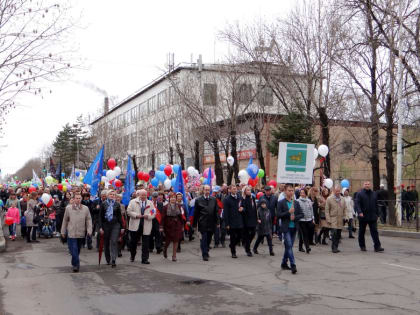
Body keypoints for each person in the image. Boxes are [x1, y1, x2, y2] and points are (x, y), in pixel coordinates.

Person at [60, 192, 93, 272]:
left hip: (81, 233)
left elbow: (89, 220)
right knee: (73, 249)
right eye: (76, 198)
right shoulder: (68, 208)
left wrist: (89, 230)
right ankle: (76, 265)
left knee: (77, 250)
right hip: (71, 233)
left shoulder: (85, 208)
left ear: (81, 199)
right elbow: (65, 220)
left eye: (79, 198)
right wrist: (63, 231)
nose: (78, 200)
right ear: (73, 199)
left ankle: (74, 262)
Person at [277, 184, 304, 274]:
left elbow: (301, 214)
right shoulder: (281, 202)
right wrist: (288, 212)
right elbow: (279, 215)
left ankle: (284, 263)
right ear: (285, 191)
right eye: (289, 190)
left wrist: (295, 217)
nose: (291, 192)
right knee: (288, 245)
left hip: (294, 227)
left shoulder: (296, 203)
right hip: (286, 227)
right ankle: (293, 265)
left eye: (292, 190)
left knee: (289, 247)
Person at [127, 189, 156, 264]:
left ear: (147, 195)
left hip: (146, 224)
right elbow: (129, 211)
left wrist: (148, 216)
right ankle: (132, 255)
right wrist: (136, 215)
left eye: (145, 195)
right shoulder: (133, 201)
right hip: (135, 225)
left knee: (146, 243)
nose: (143, 196)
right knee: (133, 242)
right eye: (142, 195)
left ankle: (145, 259)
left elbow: (153, 212)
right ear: (139, 195)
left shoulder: (150, 203)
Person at [355, 181, 384, 252]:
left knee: (374, 232)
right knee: (362, 232)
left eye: (368, 184)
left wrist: (377, 214)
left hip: (372, 216)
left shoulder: (374, 194)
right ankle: (362, 246)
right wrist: (360, 212)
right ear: (363, 185)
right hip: (363, 216)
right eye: (366, 184)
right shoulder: (360, 194)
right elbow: (357, 204)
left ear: (370, 185)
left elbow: (376, 204)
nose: (367, 185)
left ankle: (377, 246)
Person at [99, 190, 124, 267]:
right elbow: (100, 217)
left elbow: (120, 216)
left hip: (115, 225)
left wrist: (122, 227)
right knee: (106, 242)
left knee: (113, 241)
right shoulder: (103, 204)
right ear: (107, 195)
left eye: (113, 194)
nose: (112, 195)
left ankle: (113, 259)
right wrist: (100, 227)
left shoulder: (117, 204)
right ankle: (108, 259)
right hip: (106, 225)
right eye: (111, 194)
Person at [194, 185, 219, 261]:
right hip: (203, 223)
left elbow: (216, 212)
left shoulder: (214, 199)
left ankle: (206, 249)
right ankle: (204, 254)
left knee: (209, 239)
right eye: (206, 190)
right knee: (204, 238)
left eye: (208, 190)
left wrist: (217, 222)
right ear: (203, 190)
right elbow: (196, 213)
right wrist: (195, 224)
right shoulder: (198, 200)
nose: (207, 191)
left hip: (211, 223)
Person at [160, 192, 185, 262]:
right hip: (168, 225)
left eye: (174, 197)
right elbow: (163, 217)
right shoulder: (165, 207)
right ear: (169, 199)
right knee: (168, 240)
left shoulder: (179, 206)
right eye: (171, 197)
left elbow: (180, 216)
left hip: (177, 224)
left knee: (176, 240)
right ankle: (165, 249)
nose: (173, 199)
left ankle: (174, 256)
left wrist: (182, 225)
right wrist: (161, 226)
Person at [223, 185, 245, 259]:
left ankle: (232, 245)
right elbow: (225, 212)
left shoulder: (240, 197)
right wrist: (227, 224)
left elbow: (243, 206)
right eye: (233, 189)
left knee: (240, 236)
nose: (235, 190)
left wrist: (242, 209)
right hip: (231, 221)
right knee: (233, 237)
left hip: (239, 220)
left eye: (235, 189)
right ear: (229, 190)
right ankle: (233, 252)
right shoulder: (227, 199)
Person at [325, 186, 346, 253]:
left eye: (339, 191)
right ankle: (333, 247)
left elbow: (345, 209)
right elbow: (327, 210)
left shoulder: (342, 199)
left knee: (338, 234)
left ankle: (336, 246)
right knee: (334, 233)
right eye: (336, 191)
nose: (338, 192)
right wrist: (328, 219)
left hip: (340, 219)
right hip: (333, 218)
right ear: (334, 191)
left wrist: (345, 217)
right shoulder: (329, 199)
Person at [297, 188, 314, 254]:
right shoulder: (298, 201)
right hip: (302, 220)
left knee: (307, 233)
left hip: (309, 219)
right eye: (301, 193)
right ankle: (307, 247)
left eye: (303, 192)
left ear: (306, 193)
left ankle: (300, 246)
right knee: (304, 233)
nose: (302, 194)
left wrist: (313, 218)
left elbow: (311, 209)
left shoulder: (309, 200)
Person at [242, 186, 257, 257]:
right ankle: (248, 250)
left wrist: (257, 218)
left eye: (250, 190)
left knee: (253, 233)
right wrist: (243, 209)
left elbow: (255, 209)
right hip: (246, 219)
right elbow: (242, 208)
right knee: (247, 235)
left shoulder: (253, 198)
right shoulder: (243, 199)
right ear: (245, 191)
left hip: (253, 219)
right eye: (247, 190)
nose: (249, 191)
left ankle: (246, 244)